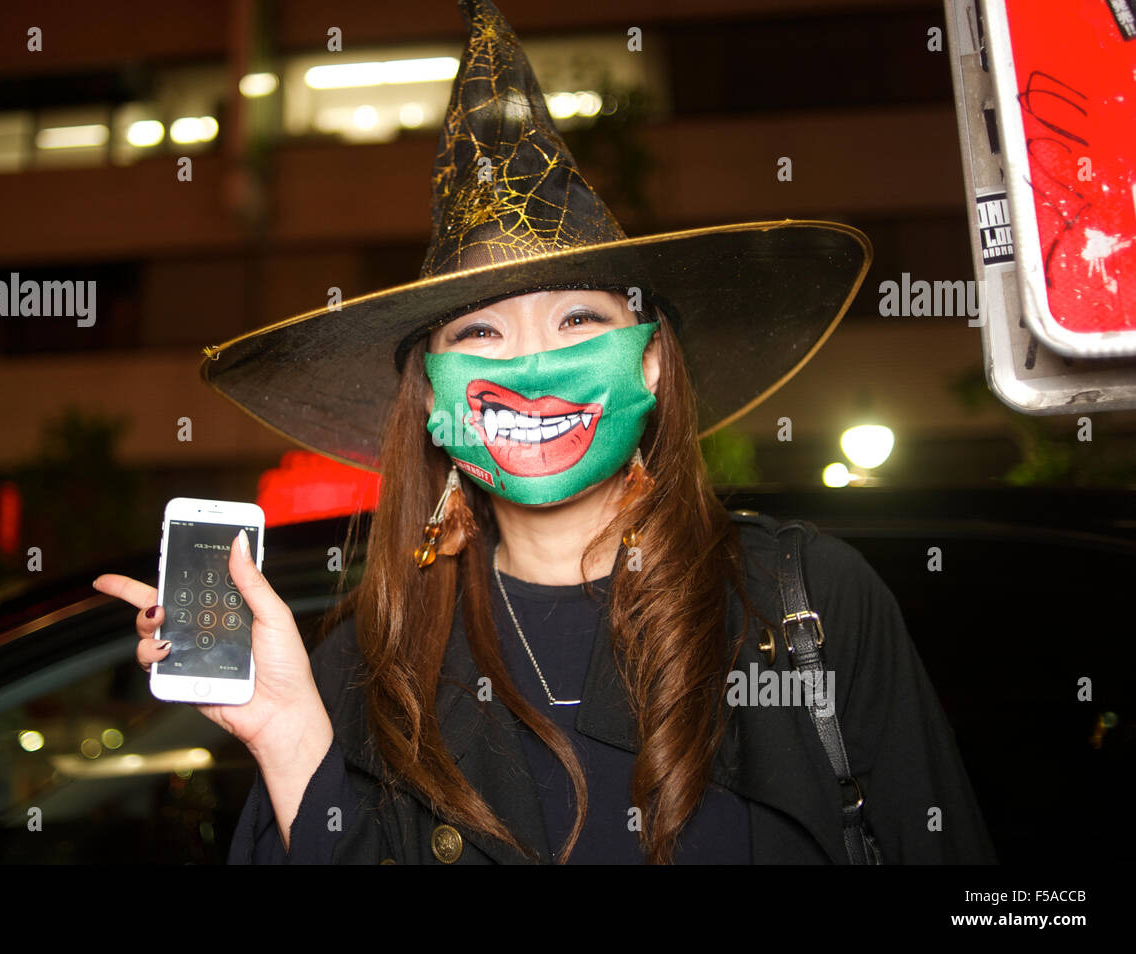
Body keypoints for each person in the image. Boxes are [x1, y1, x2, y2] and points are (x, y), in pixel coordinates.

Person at [93, 0, 996, 864]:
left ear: (649, 364)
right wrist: (289, 735)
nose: (529, 372)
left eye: (577, 321)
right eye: (480, 332)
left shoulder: (805, 607)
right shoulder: (365, 666)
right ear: (434, 400)